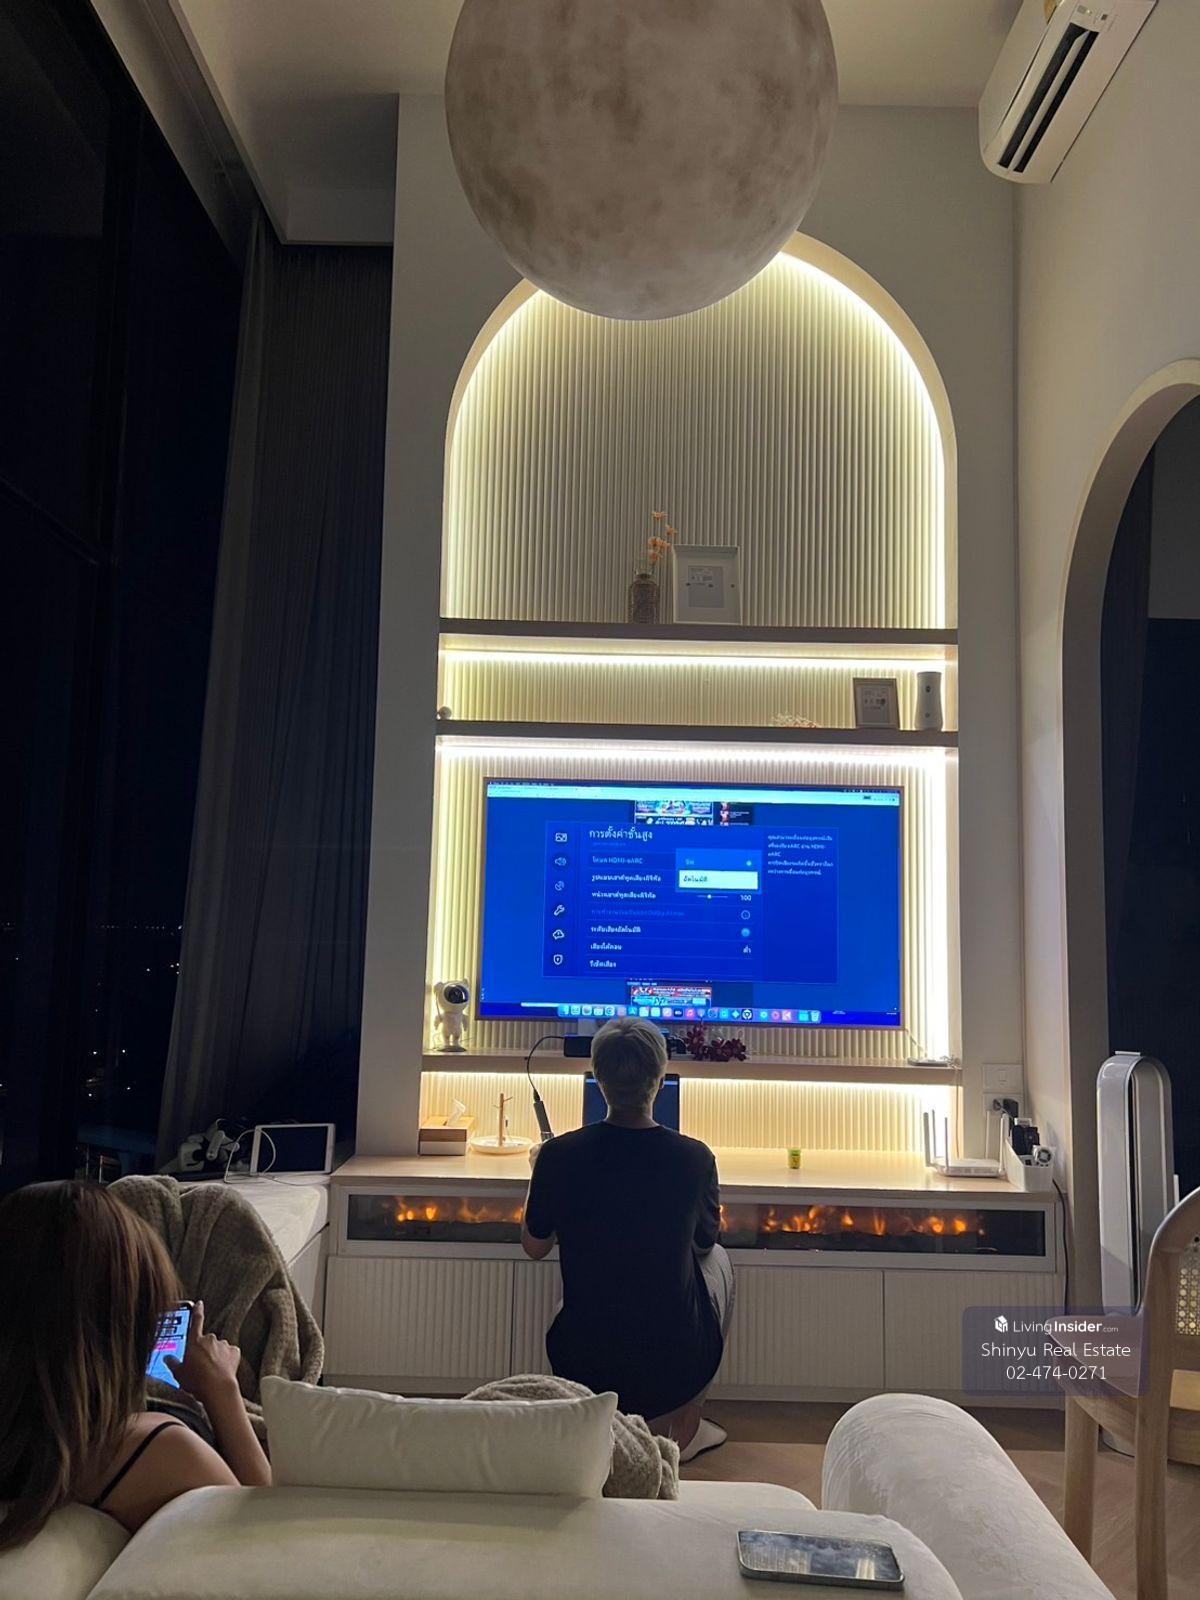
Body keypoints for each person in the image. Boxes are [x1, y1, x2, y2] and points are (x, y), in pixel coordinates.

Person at [0, 1181, 271, 1550]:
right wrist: (223, 1391)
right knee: (221, 1209)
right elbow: (267, 1536)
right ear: (124, 1321)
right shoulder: (159, 1451)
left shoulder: (28, 1443)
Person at [522, 1016, 734, 1460]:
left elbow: (535, 1246)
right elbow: (702, 1245)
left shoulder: (559, 1156)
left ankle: (606, 1415)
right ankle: (685, 1423)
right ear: (660, 1078)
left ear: (597, 1077)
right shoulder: (695, 1158)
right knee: (720, 1260)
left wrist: (539, 1173)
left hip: (580, 1356)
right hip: (675, 1360)